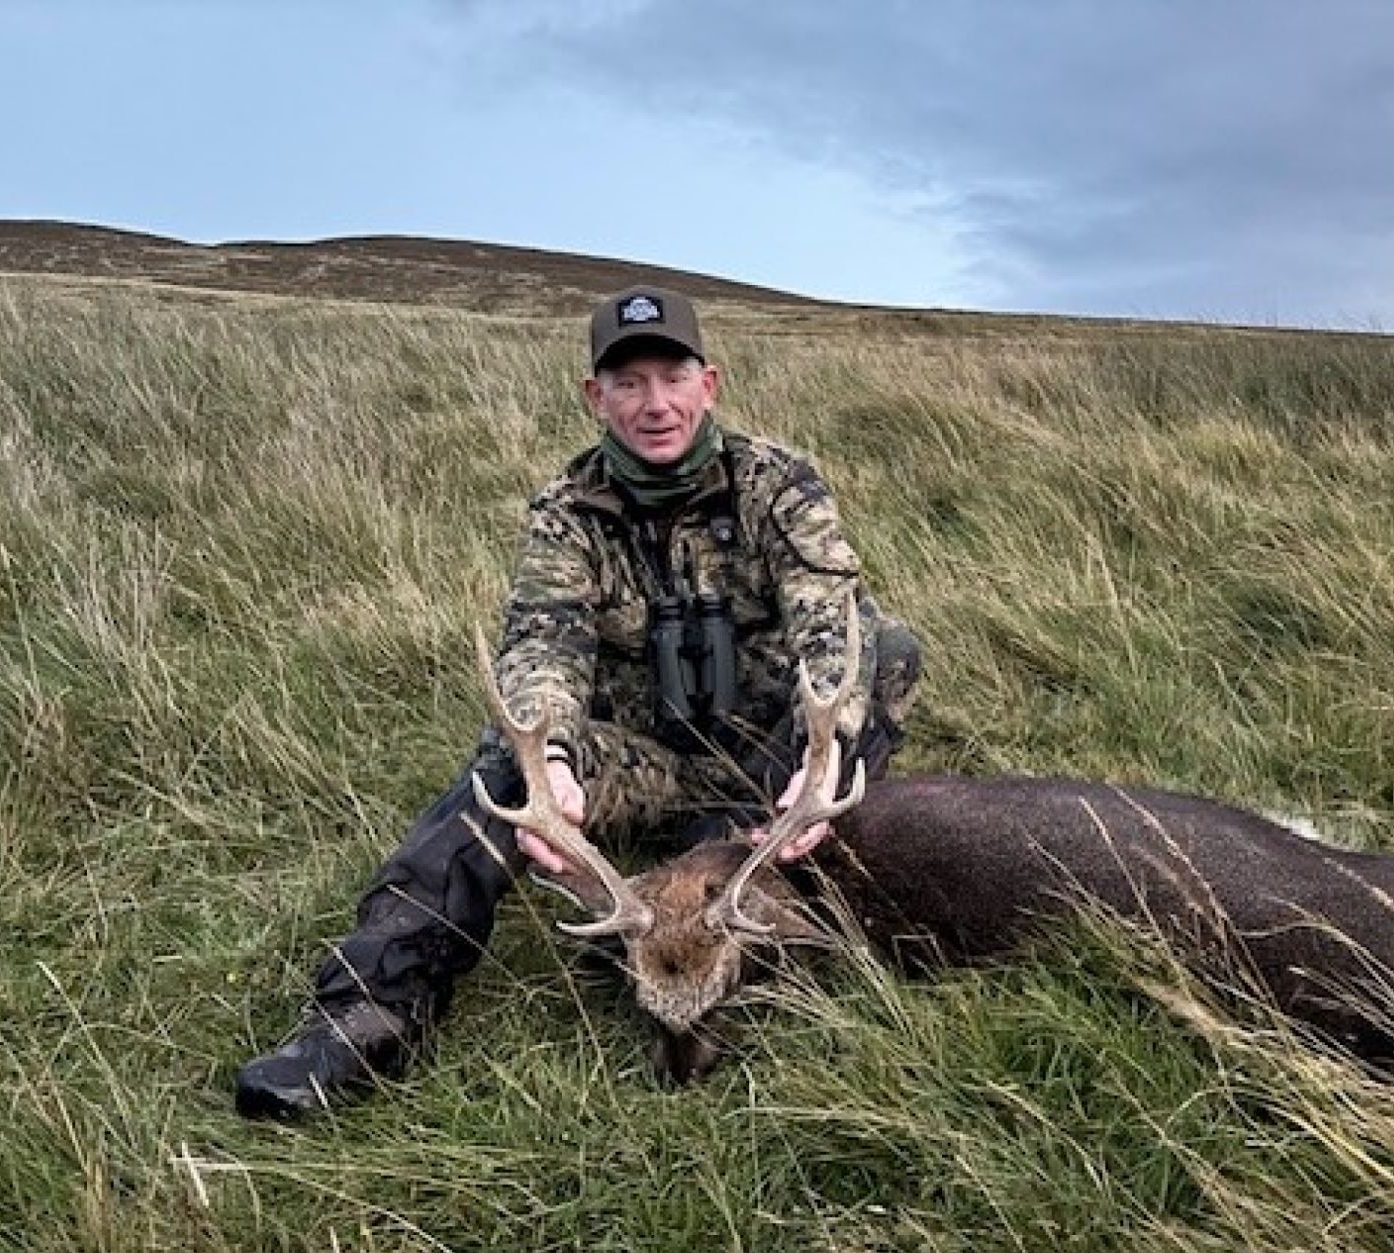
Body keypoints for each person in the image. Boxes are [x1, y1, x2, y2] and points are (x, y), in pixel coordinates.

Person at [235, 285, 922, 1118]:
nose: (655, 403)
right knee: (509, 768)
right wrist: (553, 761)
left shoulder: (779, 486)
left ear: (709, 384)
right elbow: (543, 649)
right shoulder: (566, 515)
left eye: (673, 377)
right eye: (628, 383)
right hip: (647, 763)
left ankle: (761, 866)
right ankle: (368, 1011)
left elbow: (831, 620)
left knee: (887, 652)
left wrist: (826, 749)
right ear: (595, 397)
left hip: (765, 763)